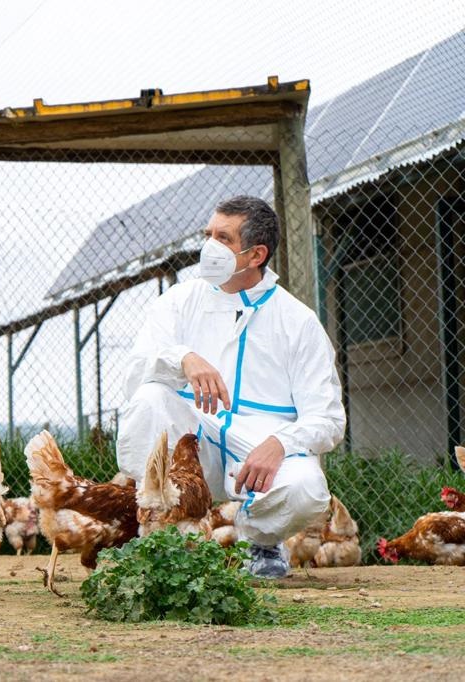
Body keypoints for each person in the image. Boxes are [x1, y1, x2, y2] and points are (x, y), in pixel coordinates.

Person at [115, 195, 345, 579]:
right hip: (194, 435)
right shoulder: (179, 301)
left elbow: (329, 418)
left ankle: (258, 540)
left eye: (223, 238)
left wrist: (281, 443)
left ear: (256, 255)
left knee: (306, 487)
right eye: (208, 234)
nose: (209, 246)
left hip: (258, 450)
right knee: (149, 399)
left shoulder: (298, 322)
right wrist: (183, 358)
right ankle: (159, 531)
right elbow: (134, 372)